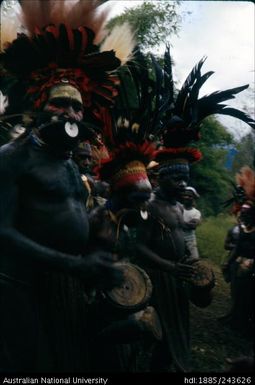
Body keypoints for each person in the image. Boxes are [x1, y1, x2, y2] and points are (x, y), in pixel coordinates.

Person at [0, 0, 136, 372]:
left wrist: (106, 217)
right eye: (62, 104)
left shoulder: (70, 165)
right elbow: (2, 233)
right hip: (18, 288)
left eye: (78, 108)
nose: (73, 115)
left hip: (65, 286)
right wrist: (73, 264)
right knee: (30, 365)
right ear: (40, 105)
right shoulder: (13, 156)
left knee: (71, 360)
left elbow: (70, 213)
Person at [181, 186, 202, 260]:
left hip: (190, 239)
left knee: (194, 258)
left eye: (189, 196)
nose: (186, 197)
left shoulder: (196, 212)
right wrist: (187, 224)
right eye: (185, 195)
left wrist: (179, 223)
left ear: (193, 198)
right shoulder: (178, 207)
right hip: (177, 236)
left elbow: (193, 226)